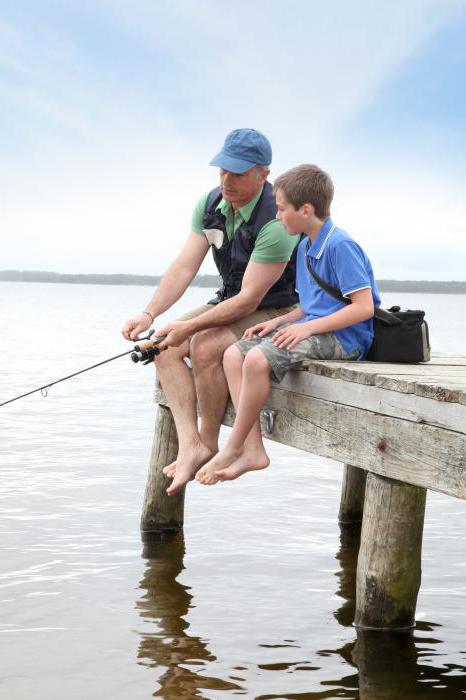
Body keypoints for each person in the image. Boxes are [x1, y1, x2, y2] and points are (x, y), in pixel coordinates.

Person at [122, 129, 298, 495]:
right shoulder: (209, 204)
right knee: (161, 343)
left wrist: (190, 328)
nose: (226, 180)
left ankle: (210, 439)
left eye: (237, 172)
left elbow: (250, 300)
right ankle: (192, 445)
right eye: (222, 170)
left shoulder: (276, 220)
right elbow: (184, 267)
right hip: (230, 299)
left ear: (263, 173)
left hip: (277, 306)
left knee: (204, 343)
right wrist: (149, 315)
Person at [196, 163, 381, 485]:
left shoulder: (340, 246)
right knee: (233, 354)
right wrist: (279, 322)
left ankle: (233, 446)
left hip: (345, 338)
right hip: (314, 327)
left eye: (282, 209)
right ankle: (253, 447)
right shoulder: (306, 244)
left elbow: (364, 308)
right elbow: (309, 307)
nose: (278, 216)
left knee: (256, 359)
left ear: (306, 209)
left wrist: (306, 328)